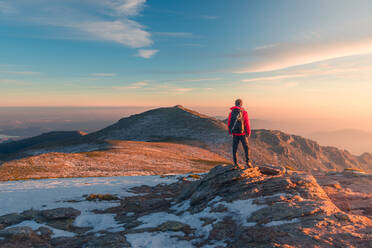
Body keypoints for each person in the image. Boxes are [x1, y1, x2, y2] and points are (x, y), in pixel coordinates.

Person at [227, 99, 252, 169]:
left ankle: (235, 163)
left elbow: (229, 122)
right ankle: (248, 161)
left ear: (235, 104)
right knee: (246, 148)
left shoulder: (231, 113)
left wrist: (230, 131)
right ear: (241, 104)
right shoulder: (244, 112)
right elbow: (247, 123)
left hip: (235, 134)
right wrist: (248, 132)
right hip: (242, 134)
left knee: (234, 148)